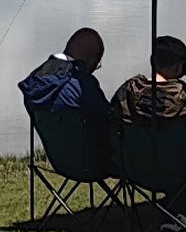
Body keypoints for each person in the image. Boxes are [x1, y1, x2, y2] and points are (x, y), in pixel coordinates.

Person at [114, 33, 186, 228]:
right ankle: (176, 210)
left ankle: (172, 210)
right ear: (178, 67)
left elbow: (112, 130)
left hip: (136, 171)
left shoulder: (124, 95)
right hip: (180, 172)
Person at [18, 27, 114, 171]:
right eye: (96, 65)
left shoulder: (34, 82)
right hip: (93, 165)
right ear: (91, 60)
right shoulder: (82, 84)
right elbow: (107, 117)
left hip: (59, 164)